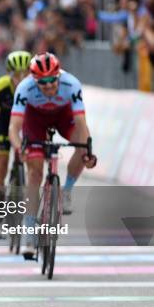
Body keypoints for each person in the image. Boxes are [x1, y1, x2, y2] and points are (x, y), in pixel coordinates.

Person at [8, 52, 97, 259]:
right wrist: (20, 147)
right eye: (42, 82)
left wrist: (88, 151)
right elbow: (14, 127)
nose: (48, 86)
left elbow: (81, 123)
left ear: (58, 76)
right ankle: (29, 230)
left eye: (52, 81)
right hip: (35, 119)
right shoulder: (24, 88)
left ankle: (65, 191)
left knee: (83, 146)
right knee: (35, 173)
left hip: (63, 115)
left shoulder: (72, 84)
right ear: (34, 80)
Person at [0, 50, 31, 236]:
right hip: (4, 126)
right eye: (17, 75)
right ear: (10, 74)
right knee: (1, 167)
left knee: (31, 162)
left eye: (25, 74)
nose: (21, 79)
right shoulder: (2, 86)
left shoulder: (33, 86)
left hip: (25, 125)